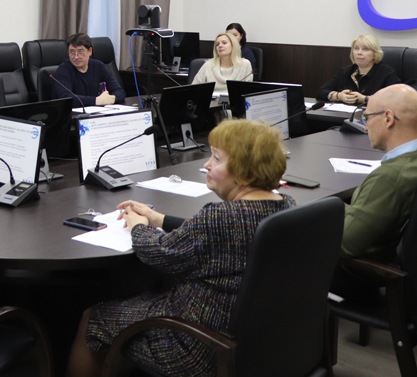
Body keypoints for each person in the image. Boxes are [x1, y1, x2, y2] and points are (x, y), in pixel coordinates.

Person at [65, 120, 293, 377]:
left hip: (198, 346)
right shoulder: (284, 206)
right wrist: (159, 219)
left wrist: (138, 226)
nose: (207, 164)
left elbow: (159, 252)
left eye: (217, 159)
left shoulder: (218, 218)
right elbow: (215, 235)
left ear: (247, 173)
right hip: (258, 339)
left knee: (94, 318)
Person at [340, 84, 417, 262]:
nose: (366, 127)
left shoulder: (390, 177)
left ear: (388, 118)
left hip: (363, 272)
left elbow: (343, 244)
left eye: (367, 118)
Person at [317, 34, 399, 106]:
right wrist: (339, 96)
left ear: (375, 54)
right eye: (356, 48)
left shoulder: (386, 73)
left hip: (373, 116)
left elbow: (397, 99)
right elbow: (320, 92)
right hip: (345, 115)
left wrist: (365, 99)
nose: (359, 53)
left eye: (365, 49)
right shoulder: (345, 72)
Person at [52, 33, 126, 107]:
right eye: (72, 52)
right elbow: (66, 98)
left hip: (98, 111)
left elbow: (119, 91)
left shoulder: (98, 66)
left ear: (90, 51)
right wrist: (96, 101)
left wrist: (111, 99)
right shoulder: (64, 70)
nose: (76, 57)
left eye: (80, 52)